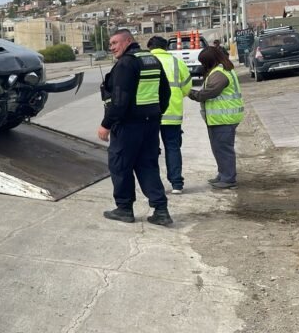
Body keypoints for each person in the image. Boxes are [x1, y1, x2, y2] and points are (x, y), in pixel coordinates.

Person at [98, 29, 173, 226]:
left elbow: (120, 100)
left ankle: (124, 209)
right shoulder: (151, 59)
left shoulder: (126, 63)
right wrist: (156, 113)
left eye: (115, 43)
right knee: (147, 165)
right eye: (110, 44)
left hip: (128, 126)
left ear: (128, 40)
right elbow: (165, 92)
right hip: (150, 124)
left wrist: (106, 125)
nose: (112, 47)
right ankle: (161, 210)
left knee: (120, 165)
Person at [187, 46, 244, 189]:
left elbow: (207, 93)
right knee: (218, 148)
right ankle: (223, 174)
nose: (202, 65)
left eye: (203, 62)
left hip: (224, 118)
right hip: (220, 118)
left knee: (224, 149)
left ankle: (228, 179)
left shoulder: (220, 74)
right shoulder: (220, 70)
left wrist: (190, 93)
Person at [147, 36, 192, 194]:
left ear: (150, 48)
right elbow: (187, 88)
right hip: (172, 112)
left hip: (150, 112)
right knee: (172, 147)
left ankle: (155, 186)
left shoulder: (145, 62)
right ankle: (176, 185)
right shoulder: (176, 62)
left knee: (151, 150)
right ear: (166, 47)